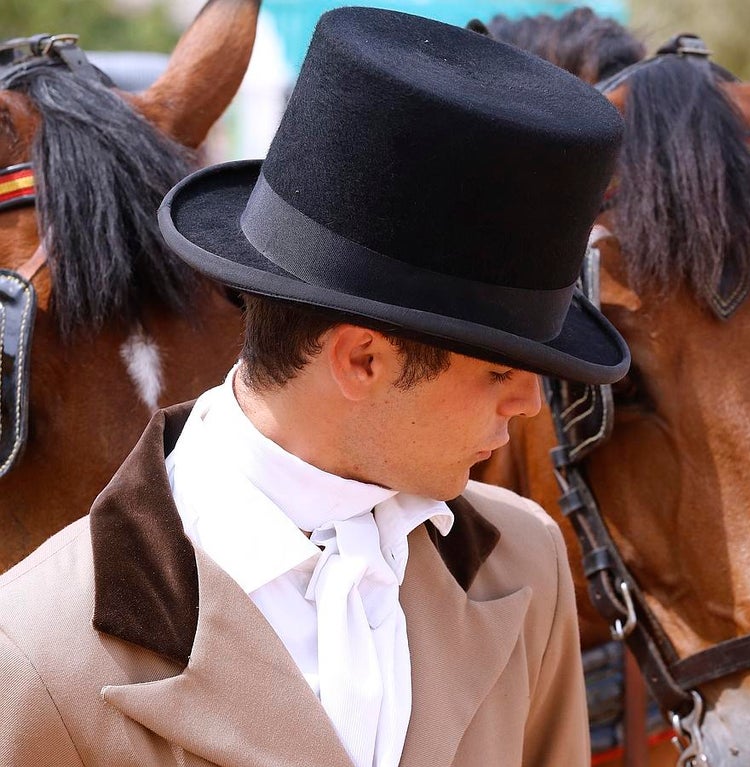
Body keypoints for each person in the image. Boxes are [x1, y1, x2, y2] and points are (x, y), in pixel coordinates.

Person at [0, 8, 628, 767]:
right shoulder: (36, 652)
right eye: (500, 369)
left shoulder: (525, 564)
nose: (532, 402)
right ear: (363, 360)